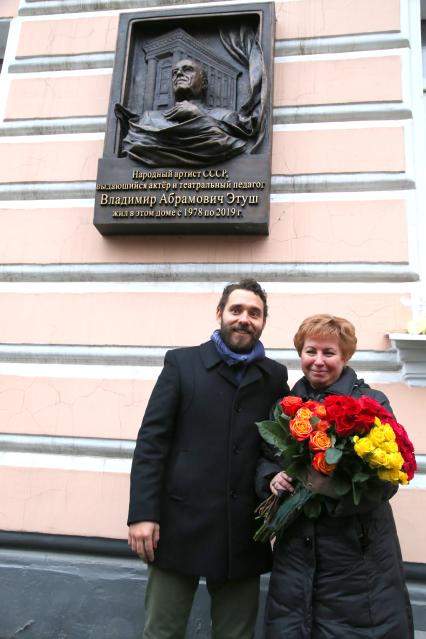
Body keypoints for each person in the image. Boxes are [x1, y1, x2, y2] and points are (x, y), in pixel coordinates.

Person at [128, 278, 289, 639]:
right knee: (162, 630)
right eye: (236, 310)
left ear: (263, 321)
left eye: (254, 313)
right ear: (220, 313)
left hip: (243, 530)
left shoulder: (275, 377)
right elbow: (152, 442)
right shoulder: (182, 364)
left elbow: (276, 448)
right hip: (177, 524)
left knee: (237, 634)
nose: (244, 318)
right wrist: (142, 513)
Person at [256, 314, 414, 639]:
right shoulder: (286, 407)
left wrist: (333, 487)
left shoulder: (370, 404)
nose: (318, 361)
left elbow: (387, 480)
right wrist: (272, 478)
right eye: (310, 351)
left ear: (344, 357)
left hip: (356, 556)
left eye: (329, 353)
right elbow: (265, 458)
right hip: (297, 554)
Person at [115, 58, 258, 167]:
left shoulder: (225, 117)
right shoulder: (149, 119)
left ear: (204, 83)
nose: (179, 74)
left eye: (187, 69)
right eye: (174, 72)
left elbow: (231, 145)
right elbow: (132, 146)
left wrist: (199, 117)